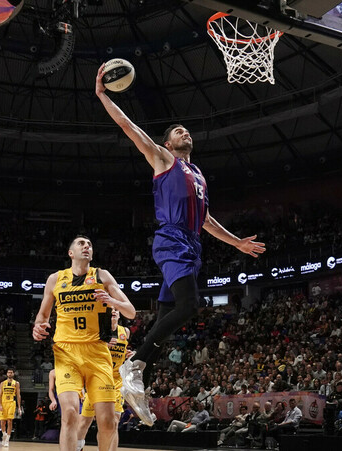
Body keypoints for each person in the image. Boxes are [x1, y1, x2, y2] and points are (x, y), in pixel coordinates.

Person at [95, 65, 266, 425]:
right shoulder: (163, 159)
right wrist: (103, 96)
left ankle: (137, 386)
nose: (183, 131)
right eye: (176, 131)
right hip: (171, 238)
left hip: (191, 244)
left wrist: (235, 242)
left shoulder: (199, 175)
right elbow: (130, 128)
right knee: (191, 304)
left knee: (166, 319)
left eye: (186, 130)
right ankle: (134, 365)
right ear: (168, 143)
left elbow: (205, 219)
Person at [33, 235, 136, 451]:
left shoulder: (102, 275)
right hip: (66, 352)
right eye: (81, 244)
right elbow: (42, 316)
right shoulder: (55, 279)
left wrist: (112, 300)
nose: (86, 246)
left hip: (97, 353)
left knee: (108, 423)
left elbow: (131, 311)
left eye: (89, 244)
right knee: (69, 414)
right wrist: (38, 327)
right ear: (71, 253)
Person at [76, 309, 133, 451]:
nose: (114, 311)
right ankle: (77, 446)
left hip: (116, 382)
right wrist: (103, 346)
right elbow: (86, 354)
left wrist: (129, 355)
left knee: (114, 422)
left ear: (119, 315)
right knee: (84, 422)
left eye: (116, 310)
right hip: (98, 379)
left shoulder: (125, 331)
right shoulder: (97, 329)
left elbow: (123, 353)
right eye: (111, 309)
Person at [0, 369, 22, 447]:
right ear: (7, 374)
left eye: (11, 372)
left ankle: (7, 439)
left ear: (13, 374)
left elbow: (18, 395)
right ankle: (4, 435)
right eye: (8, 372)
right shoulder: (2, 383)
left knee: (9, 421)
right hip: (4, 403)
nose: (10, 374)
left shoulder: (16, 383)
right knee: (2, 422)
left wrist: (19, 407)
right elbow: (0, 395)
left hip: (11, 403)